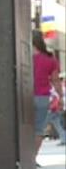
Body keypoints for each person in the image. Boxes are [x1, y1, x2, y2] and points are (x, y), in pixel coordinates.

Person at [33, 31, 63, 160]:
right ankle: (32, 158)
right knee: (39, 129)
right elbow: (56, 81)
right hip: (42, 97)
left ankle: (22, 158)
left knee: (22, 129)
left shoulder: (22, 57)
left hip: (23, 96)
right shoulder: (50, 60)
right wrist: (60, 98)